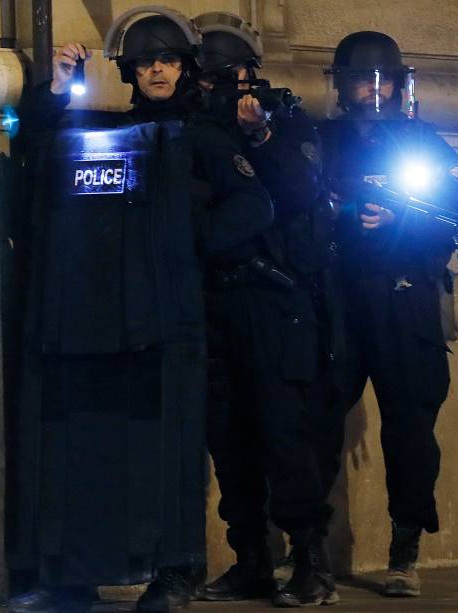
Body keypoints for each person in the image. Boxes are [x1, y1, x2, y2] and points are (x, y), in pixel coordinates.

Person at [10, 7, 273, 613]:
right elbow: (37, 148)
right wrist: (56, 91)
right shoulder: (108, 135)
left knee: (171, 448)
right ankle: (77, 572)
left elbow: (253, 206)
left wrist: (185, 242)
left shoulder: (205, 137)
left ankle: (176, 571)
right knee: (96, 444)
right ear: (130, 71)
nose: (158, 71)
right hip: (100, 316)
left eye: (169, 61)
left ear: (186, 68)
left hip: (175, 316)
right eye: (147, 62)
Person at [318, 31, 458, 597]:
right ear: (342, 87)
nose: (373, 90)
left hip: (403, 300)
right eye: (362, 79)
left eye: (382, 79)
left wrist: (397, 221)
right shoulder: (322, 142)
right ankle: (307, 548)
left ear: (401, 85)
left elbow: (456, 219)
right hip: (339, 298)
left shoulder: (423, 144)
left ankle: (404, 551)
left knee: (410, 429)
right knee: (313, 422)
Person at [190, 12, 338, 608]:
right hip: (216, 299)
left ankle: (310, 562)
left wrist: (261, 137)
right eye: (206, 78)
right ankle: (250, 559)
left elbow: (300, 189)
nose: (215, 88)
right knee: (230, 440)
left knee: (284, 434)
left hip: (274, 300)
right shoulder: (196, 129)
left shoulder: (283, 119)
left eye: (224, 76)